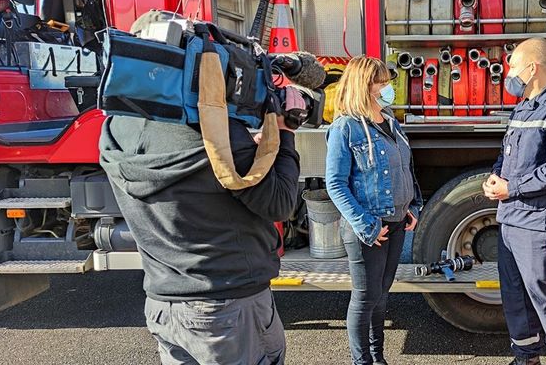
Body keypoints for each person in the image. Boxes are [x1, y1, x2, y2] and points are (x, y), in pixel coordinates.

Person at [99, 110, 300, 363]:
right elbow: (279, 203)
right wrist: (284, 134)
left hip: (163, 305)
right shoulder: (218, 135)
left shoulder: (115, 128)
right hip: (227, 307)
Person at [483, 37, 546, 365]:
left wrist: (511, 187)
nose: (508, 73)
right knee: (515, 298)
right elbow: (508, 154)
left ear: (533, 68)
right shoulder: (523, 107)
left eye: (513, 66)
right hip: (510, 223)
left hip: (538, 226)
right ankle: (526, 356)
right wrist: (495, 176)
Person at [325, 56, 423, 365]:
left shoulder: (391, 122)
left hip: (394, 223)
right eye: (381, 82)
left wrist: (412, 205)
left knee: (381, 296)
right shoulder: (345, 128)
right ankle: (362, 361)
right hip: (368, 229)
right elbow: (336, 184)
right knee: (365, 298)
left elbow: (405, 169)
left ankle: (377, 357)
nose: (388, 87)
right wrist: (367, 224)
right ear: (364, 87)